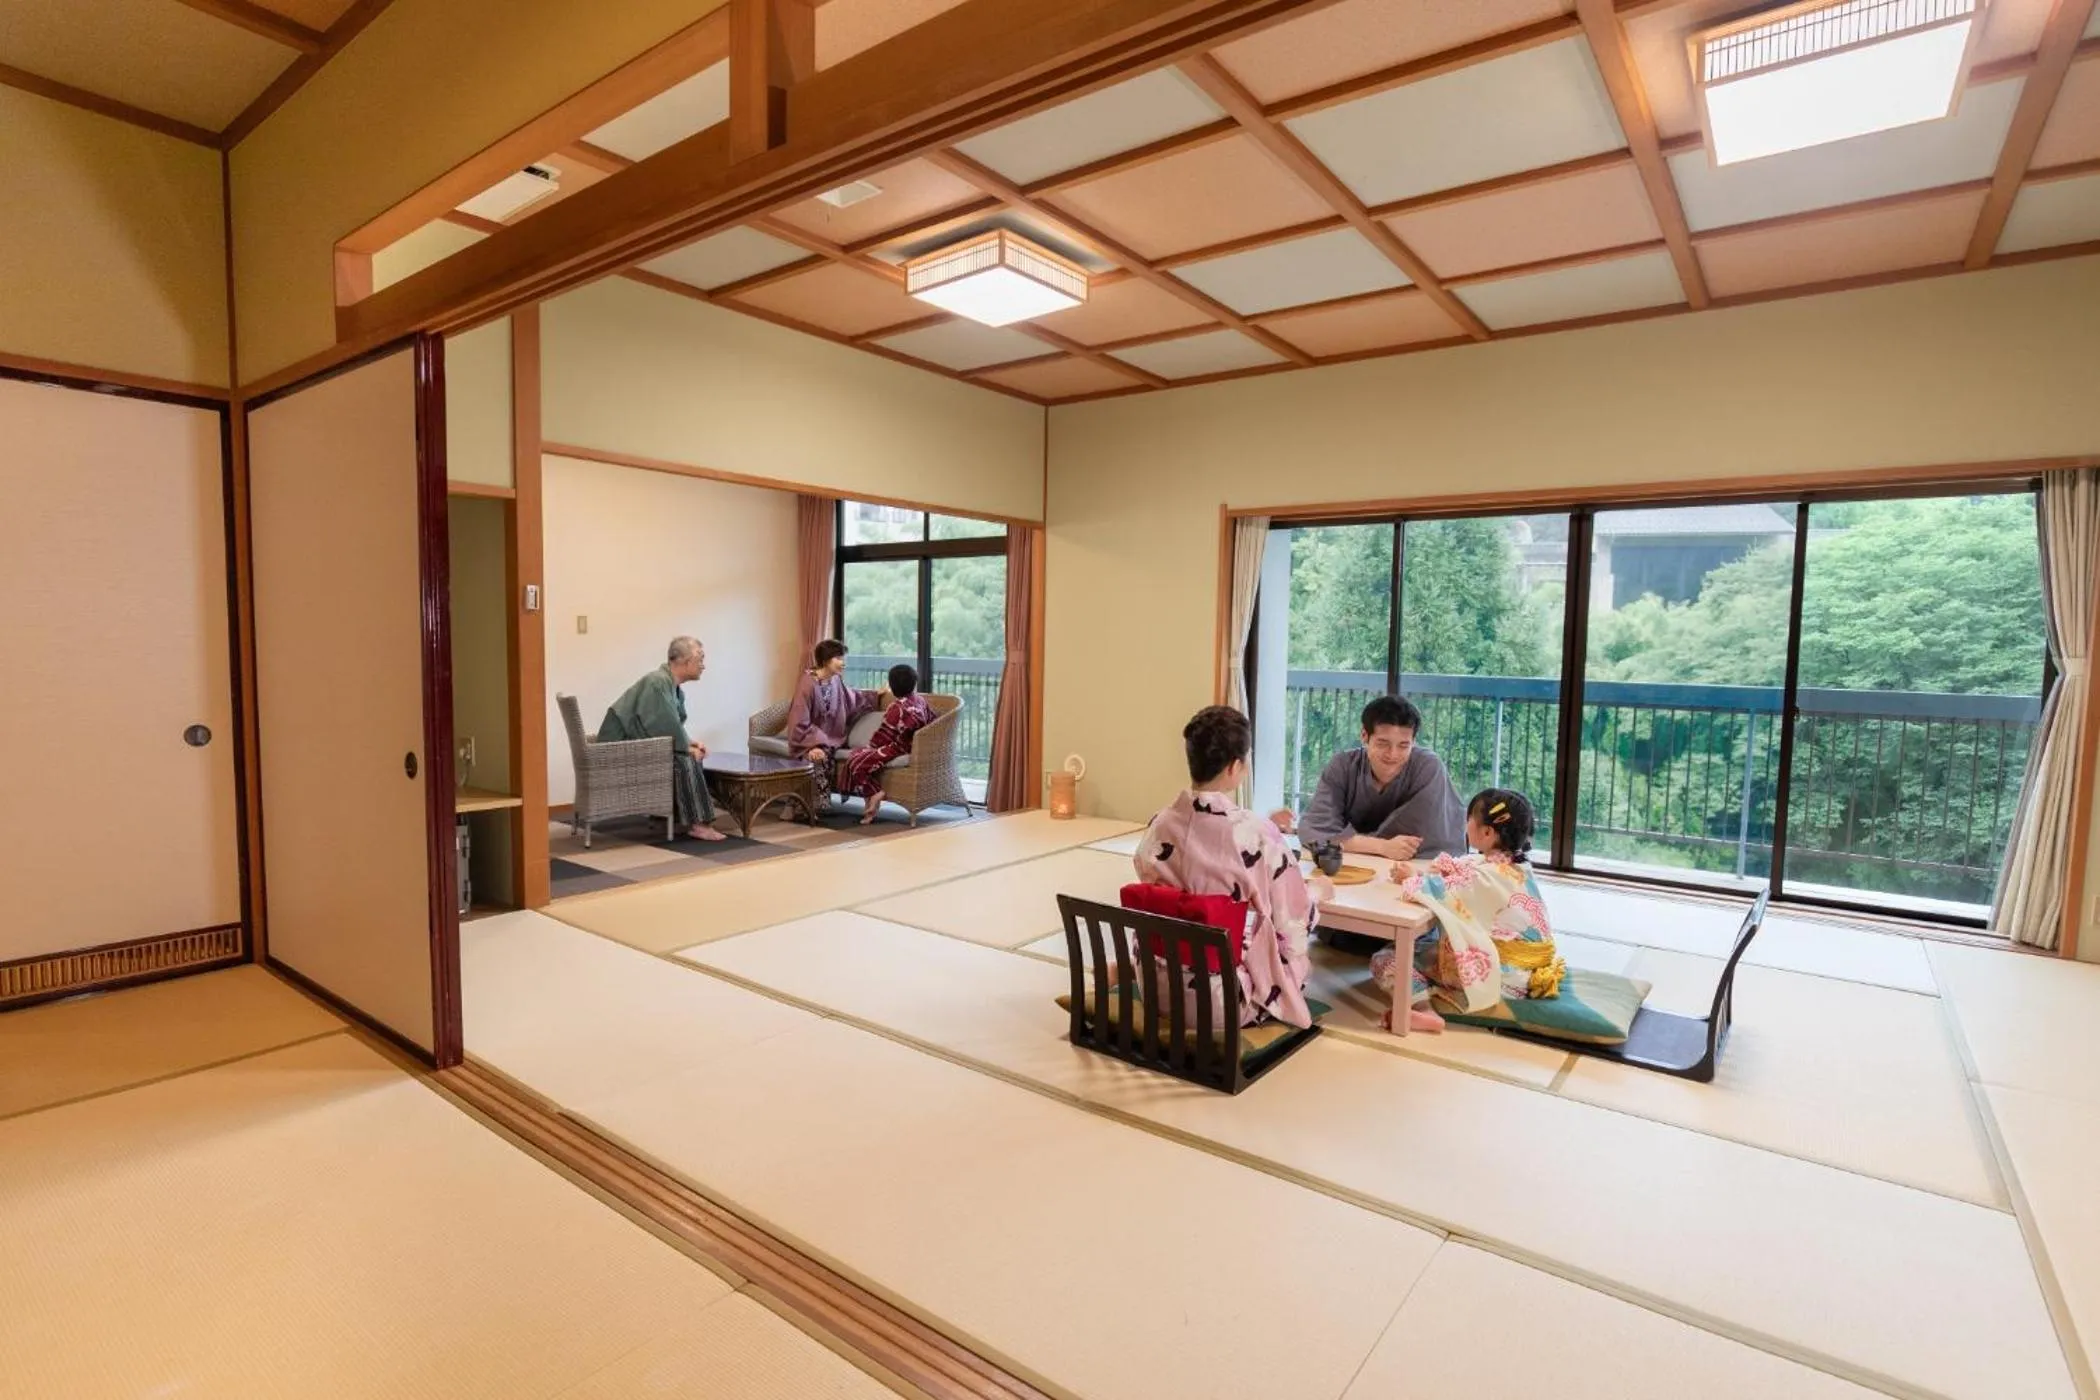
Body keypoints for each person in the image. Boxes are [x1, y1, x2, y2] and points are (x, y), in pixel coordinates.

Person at [1132, 706, 1325, 1030]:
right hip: (1219, 1001)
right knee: (1296, 955)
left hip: (1154, 985)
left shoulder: (1162, 822)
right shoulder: (1257, 832)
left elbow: (1148, 872)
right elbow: (1292, 917)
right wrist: (1317, 892)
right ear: (1237, 766)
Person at [1370, 788, 1565, 1033]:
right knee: (1425, 942)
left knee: (1388, 959)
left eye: (1470, 818)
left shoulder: (1483, 877)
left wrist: (1411, 877)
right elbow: (1461, 874)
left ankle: (1422, 1010)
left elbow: (1434, 889)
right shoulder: (1516, 866)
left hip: (1505, 977)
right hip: (1526, 969)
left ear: (1486, 832)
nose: (1466, 823)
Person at [1280, 695, 1467, 861]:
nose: (1392, 754)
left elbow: (1423, 840)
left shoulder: (1428, 767)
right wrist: (1382, 847)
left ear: (1414, 742)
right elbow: (1314, 830)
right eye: (1383, 743)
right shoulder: (1342, 765)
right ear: (1364, 736)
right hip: (1351, 864)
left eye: (1403, 745)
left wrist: (1349, 841)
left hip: (1411, 871)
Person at [598, 636, 724, 842]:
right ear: (684, 660)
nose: (704, 665)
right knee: (686, 759)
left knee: (689, 753)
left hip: (636, 741)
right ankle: (699, 824)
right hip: (618, 748)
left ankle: (674, 817)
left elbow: (668, 723)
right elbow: (661, 723)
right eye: (700, 659)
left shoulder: (668, 683)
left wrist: (689, 742)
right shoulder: (658, 682)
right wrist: (685, 748)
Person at [786, 639, 885, 801]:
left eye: (842, 658)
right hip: (808, 741)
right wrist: (811, 747)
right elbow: (798, 719)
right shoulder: (807, 684)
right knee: (818, 757)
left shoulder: (836, 681)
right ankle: (807, 808)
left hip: (831, 739)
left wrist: (874, 695)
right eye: (838, 658)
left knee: (823, 755)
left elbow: (852, 699)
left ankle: (807, 807)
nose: (842, 663)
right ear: (825, 660)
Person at [840, 664, 934, 825]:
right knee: (858, 756)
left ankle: (875, 792)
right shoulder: (920, 701)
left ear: (892, 686)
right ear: (914, 683)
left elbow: (884, 735)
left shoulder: (896, 708)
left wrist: (871, 747)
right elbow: (931, 720)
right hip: (913, 746)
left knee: (856, 761)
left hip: (898, 748)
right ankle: (870, 807)